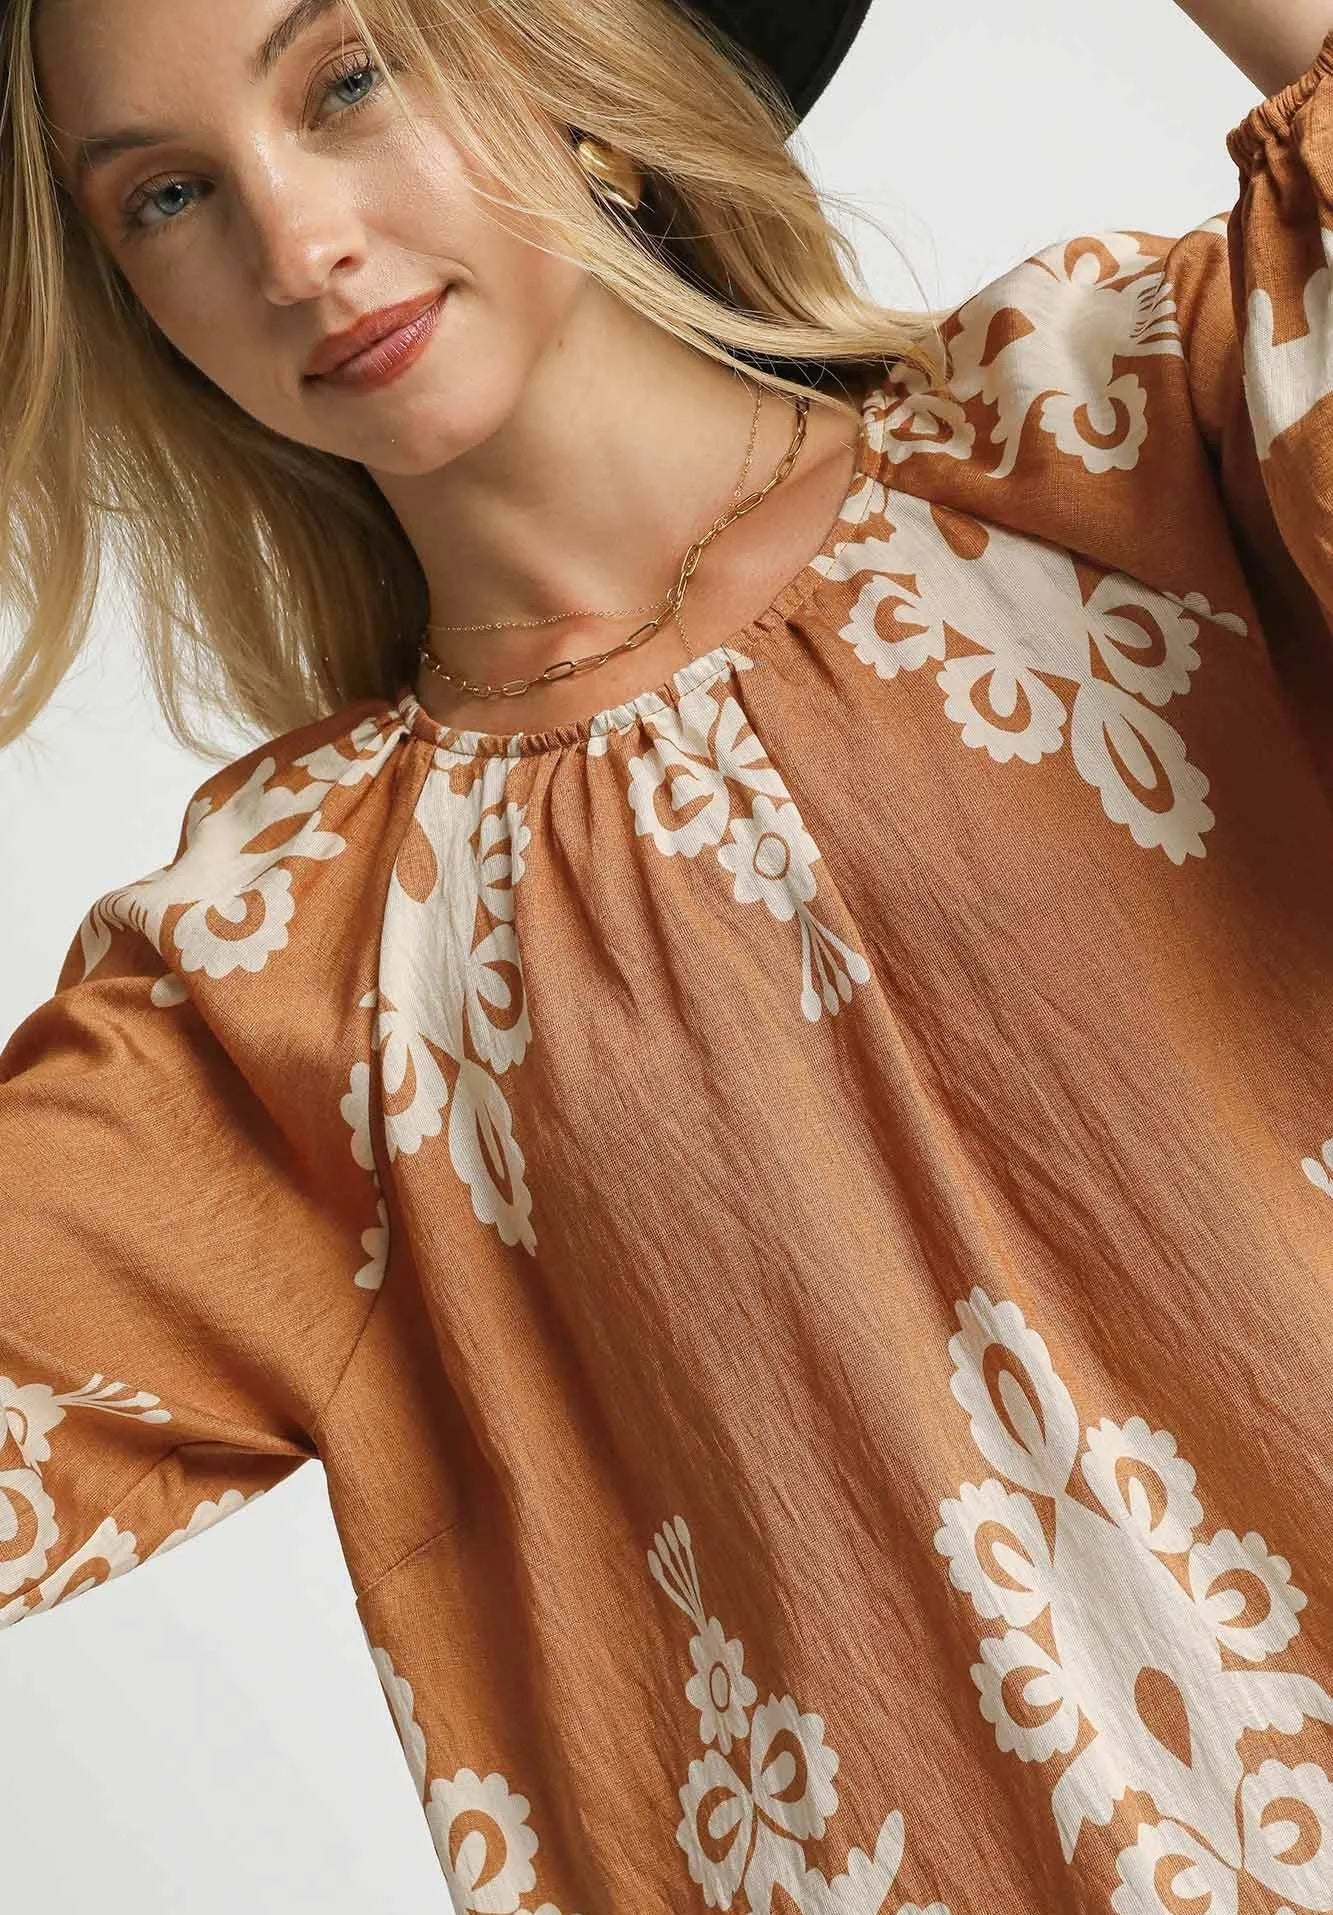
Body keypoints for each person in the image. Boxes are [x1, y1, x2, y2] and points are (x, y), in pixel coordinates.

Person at [1, 0, 1330, 1906]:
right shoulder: (289, 973)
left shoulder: (1125, 447)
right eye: (170, 196)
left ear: (571, 59)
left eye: (350, 78)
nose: (296, 250)